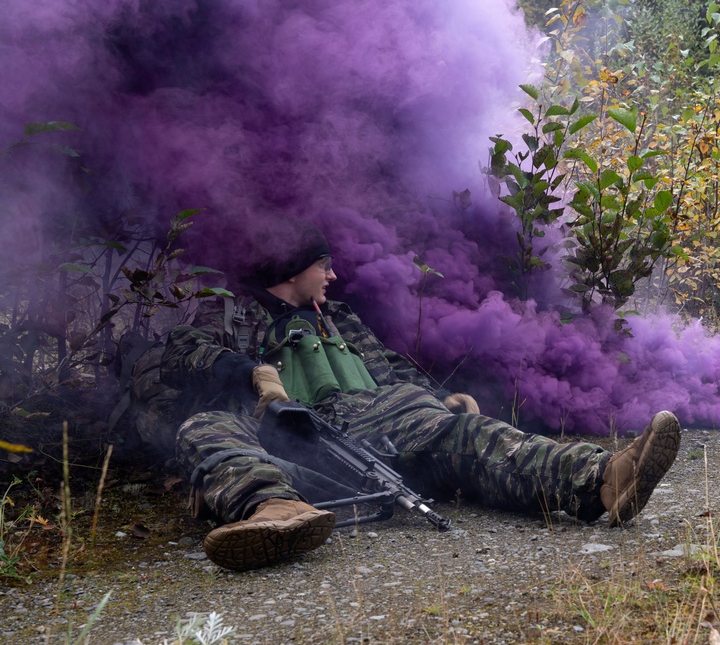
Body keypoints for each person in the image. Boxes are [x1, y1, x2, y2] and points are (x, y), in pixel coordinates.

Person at [139, 220, 680, 571]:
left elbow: (389, 370)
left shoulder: (341, 319)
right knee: (203, 428)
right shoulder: (234, 311)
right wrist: (253, 373)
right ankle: (274, 511)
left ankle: (603, 480)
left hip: (380, 427)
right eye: (323, 264)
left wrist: (437, 399)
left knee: (467, 432)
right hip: (281, 441)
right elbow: (183, 351)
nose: (333, 273)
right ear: (292, 268)